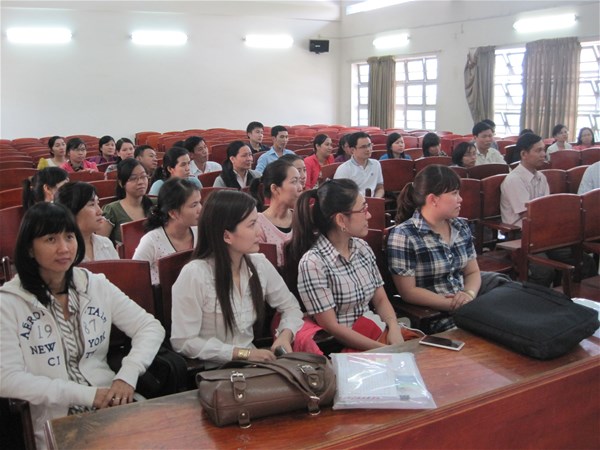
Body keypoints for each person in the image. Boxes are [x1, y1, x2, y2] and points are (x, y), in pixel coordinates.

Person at [0, 202, 164, 450]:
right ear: (30, 249)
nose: (64, 248)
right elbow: (7, 378)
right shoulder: (9, 302)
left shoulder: (94, 285)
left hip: (112, 402)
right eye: (51, 239)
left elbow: (150, 327)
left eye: (69, 237)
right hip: (56, 418)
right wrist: (87, 395)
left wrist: (127, 375)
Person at [170, 190, 303, 367]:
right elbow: (183, 341)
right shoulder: (195, 274)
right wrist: (242, 354)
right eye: (252, 224)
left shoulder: (259, 264)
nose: (259, 231)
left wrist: (285, 336)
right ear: (227, 236)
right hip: (213, 370)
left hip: (253, 365)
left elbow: (291, 307)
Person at [288, 178, 405, 352]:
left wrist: (394, 328)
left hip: (375, 331)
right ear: (341, 220)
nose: (369, 215)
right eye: (363, 210)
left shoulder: (362, 247)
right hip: (345, 346)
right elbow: (332, 327)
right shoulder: (313, 263)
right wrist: (382, 349)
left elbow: (380, 299)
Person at [387, 165, 480, 313]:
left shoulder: (460, 225)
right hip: (437, 312)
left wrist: (469, 294)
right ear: (433, 199)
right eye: (454, 193)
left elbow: (472, 272)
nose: (460, 199)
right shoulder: (404, 234)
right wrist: (454, 305)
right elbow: (408, 291)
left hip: (468, 304)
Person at [133, 178, 201, 284]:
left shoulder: (201, 232)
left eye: (199, 202)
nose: (200, 209)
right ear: (173, 213)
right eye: (194, 205)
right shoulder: (151, 241)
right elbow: (134, 277)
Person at [250, 159, 303, 266]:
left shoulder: (300, 217)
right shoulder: (258, 224)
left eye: (300, 181)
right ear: (274, 188)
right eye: (294, 182)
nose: (300, 188)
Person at [56, 181, 119, 262]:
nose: (100, 212)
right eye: (92, 205)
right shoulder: (62, 252)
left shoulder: (106, 244)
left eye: (98, 203)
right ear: (72, 211)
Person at [500, 133, 549, 228]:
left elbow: (546, 206)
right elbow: (527, 214)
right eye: (538, 151)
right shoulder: (514, 179)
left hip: (538, 225)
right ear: (523, 154)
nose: (543, 154)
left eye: (544, 150)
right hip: (518, 231)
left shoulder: (541, 177)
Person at [100, 159, 154, 243]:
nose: (140, 182)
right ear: (121, 183)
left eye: (143, 176)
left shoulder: (156, 205)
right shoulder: (112, 210)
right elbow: (100, 244)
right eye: (133, 178)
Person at [334, 132, 384, 198]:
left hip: (373, 201)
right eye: (363, 147)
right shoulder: (343, 169)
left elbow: (380, 187)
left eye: (369, 145)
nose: (368, 149)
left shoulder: (376, 164)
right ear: (352, 150)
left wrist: (376, 199)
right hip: (353, 203)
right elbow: (340, 195)